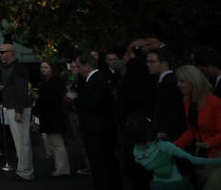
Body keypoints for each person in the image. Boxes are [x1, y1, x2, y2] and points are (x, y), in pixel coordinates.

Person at [126, 112, 221, 190]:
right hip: (176, 184)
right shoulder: (164, 146)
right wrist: (217, 160)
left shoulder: (135, 152)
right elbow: (193, 159)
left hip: (156, 185)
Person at [74, 52, 124, 190]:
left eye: (79, 67)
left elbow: (93, 104)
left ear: (87, 66)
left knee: (100, 165)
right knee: (105, 164)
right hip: (100, 129)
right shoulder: (96, 79)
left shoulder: (95, 80)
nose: (77, 70)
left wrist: (75, 100)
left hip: (97, 131)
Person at [0, 43, 34, 181]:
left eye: (2, 52)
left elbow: (22, 91)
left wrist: (19, 110)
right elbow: (13, 87)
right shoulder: (7, 68)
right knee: (20, 141)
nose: (0, 54)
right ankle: (24, 170)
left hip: (18, 108)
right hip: (12, 107)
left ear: (11, 52)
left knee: (22, 141)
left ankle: (25, 172)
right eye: (0, 52)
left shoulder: (18, 68)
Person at [36, 60, 72, 177]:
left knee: (57, 143)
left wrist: (40, 98)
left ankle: (62, 168)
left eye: (46, 67)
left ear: (51, 68)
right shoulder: (46, 81)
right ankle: (60, 167)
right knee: (55, 143)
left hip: (54, 115)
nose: (43, 70)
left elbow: (54, 99)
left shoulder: (54, 81)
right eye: (42, 67)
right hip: (49, 115)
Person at [149, 48, 187, 142]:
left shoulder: (169, 83)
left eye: (152, 61)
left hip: (171, 136)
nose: (148, 65)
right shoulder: (168, 81)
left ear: (164, 63)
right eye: (147, 61)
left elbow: (170, 113)